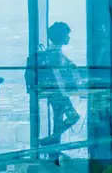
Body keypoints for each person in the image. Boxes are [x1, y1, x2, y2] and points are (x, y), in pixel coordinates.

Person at [26, 20, 81, 151]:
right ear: (61, 37)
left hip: (52, 92)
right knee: (73, 116)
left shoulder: (52, 53)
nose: (68, 38)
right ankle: (53, 140)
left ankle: (54, 143)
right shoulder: (56, 55)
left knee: (58, 118)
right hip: (58, 93)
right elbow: (67, 70)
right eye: (67, 35)